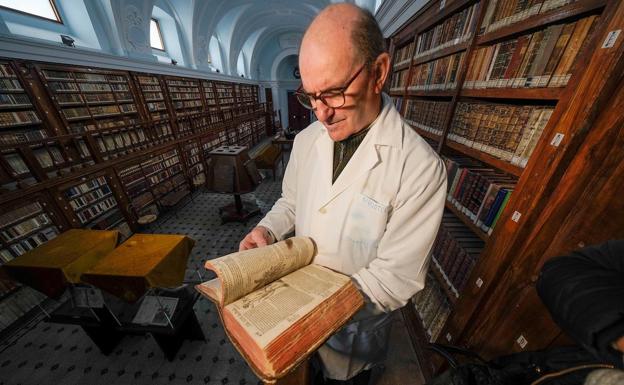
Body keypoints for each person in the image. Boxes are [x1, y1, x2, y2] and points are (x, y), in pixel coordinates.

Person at [239, 3, 447, 384]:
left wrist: (323, 311)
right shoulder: (306, 140)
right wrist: (267, 231)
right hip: (294, 314)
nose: (321, 114)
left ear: (378, 72)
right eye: (311, 96)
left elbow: (395, 277)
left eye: (333, 93)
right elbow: (292, 202)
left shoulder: (419, 167)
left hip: (354, 335)